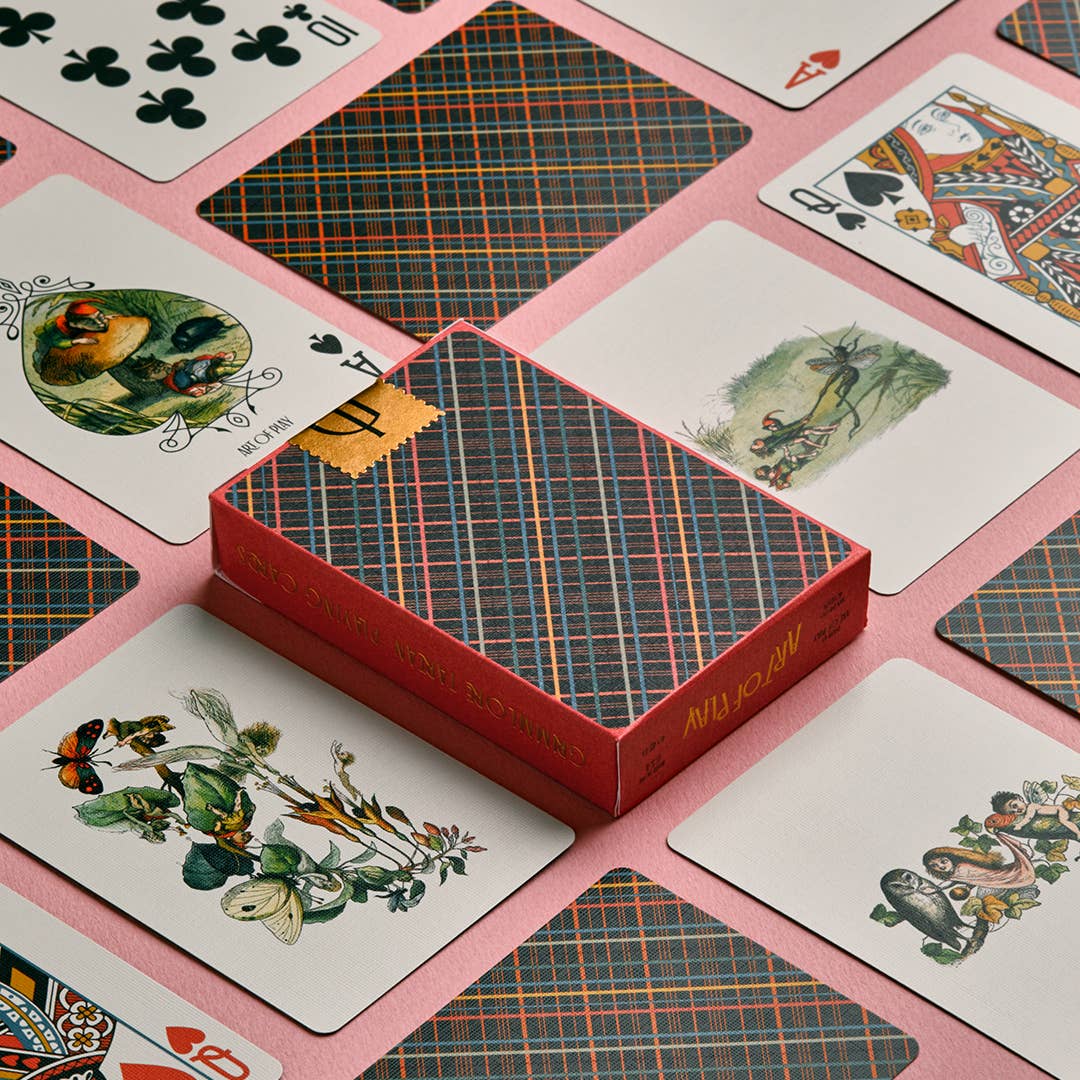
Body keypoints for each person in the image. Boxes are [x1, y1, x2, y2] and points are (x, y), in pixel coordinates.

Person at [922, 830, 1036, 891]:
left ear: (951, 858)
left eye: (943, 861)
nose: (940, 867)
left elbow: (973, 878)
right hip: (995, 881)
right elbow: (973, 879)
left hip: (1007, 877)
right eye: (934, 866)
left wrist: (936, 889)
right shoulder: (956, 871)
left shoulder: (961, 868)